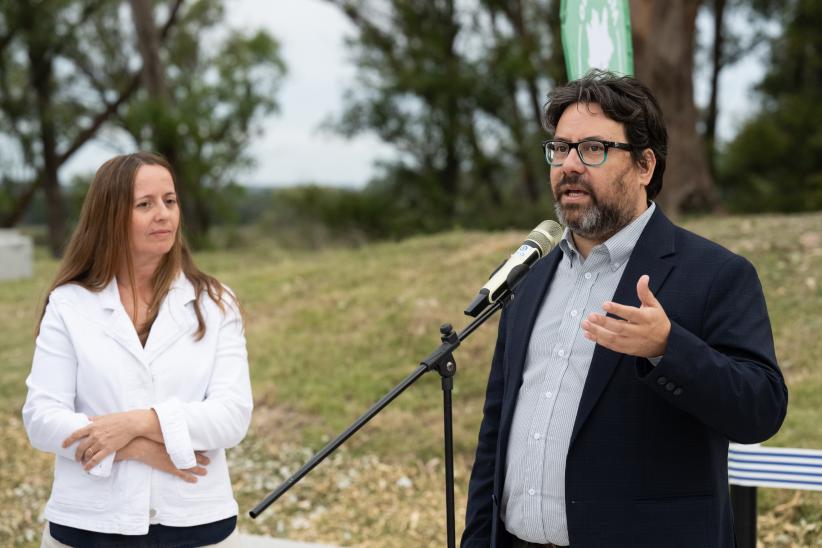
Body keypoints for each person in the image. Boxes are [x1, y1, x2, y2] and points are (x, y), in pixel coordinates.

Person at [461, 71, 788, 548]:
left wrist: (668, 348)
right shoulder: (530, 279)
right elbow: (495, 435)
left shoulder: (715, 274)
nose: (569, 165)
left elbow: (761, 410)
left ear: (644, 166)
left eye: (593, 148)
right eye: (560, 148)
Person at [23, 152, 253, 547]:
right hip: (89, 524)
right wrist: (137, 449)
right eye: (144, 204)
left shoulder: (215, 302)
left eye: (170, 200)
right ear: (109, 217)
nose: (163, 214)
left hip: (195, 522)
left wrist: (139, 422)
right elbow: (42, 418)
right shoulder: (70, 303)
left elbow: (232, 417)